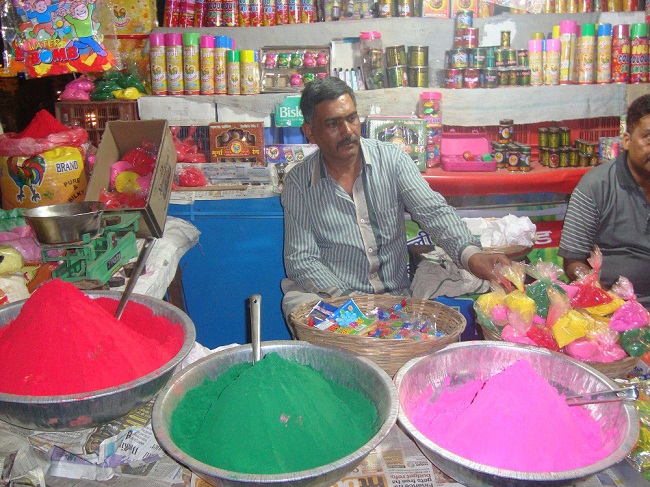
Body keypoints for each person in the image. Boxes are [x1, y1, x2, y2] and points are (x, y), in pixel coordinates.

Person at [280, 76, 511, 321]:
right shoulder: (298, 182)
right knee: (300, 306)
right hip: (338, 300)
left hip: (395, 300)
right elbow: (302, 258)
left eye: (351, 118)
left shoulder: (392, 160)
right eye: (332, 124)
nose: (347, 131)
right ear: (310, 132)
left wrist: (471, 255)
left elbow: (433, 211)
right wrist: (351, 303)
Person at [559, 93, 650, 311]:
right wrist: (600, 295)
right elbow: (572, 262)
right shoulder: (596, 186)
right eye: (649, 138)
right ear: (627, 141)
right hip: (612, 309)